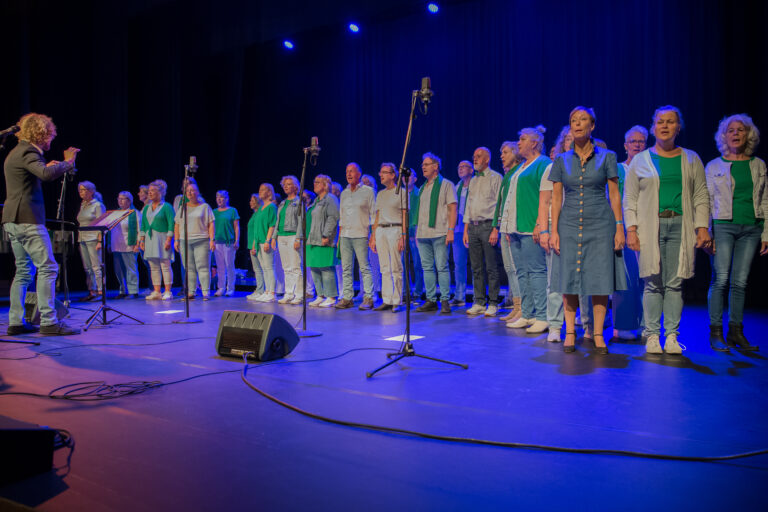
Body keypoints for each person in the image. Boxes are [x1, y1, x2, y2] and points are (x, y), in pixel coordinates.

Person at [624, 105, 711, 355]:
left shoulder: (691, 158)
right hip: (650, 226)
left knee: (675, 283)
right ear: (653, 127)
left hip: (680, 225)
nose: (664, 126)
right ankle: (652, 335)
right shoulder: (641, 160)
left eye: (670, 122)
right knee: (652, 282)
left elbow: (701, 195)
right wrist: (631, 229)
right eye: (660, 121)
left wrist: (702, 227)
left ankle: (671, 335)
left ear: (678, 127)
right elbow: (629, 198)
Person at [549, 107, 626, 354]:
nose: (577, 124)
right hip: (569, 223)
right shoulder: (561, 160)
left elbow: (614, 195)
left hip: (600, 223)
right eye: (573, 120)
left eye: (582, 120)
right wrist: (554, 231)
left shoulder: (608, 157)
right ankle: (570, 331)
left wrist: (619, 227)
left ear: (592, 125)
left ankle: (596, 332)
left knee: (599, 279)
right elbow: (556, 197)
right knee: (568, 278)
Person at [3, 112, 81, 335]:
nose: (50, 141)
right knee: (48, 267)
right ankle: (48, 321)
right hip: (27, 219)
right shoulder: (28, 150)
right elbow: (46, 175)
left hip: (13, 219)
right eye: (49, 136)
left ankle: (16, 322)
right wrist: (67, 163)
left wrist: (49, 166)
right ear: (40, 133)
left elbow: (39, 171)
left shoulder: (17, 152)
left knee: (23, 273)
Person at [706, 114, 767, 352]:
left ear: (748, 134)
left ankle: (736, 332)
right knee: (720, 279)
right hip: (723, 225)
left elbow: (765, 199)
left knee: (740, 282)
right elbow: (707, 200)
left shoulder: (758, 164)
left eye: (740, 130)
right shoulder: (714, 165)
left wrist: (766, 233)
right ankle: (716, 332)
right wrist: (706, 230)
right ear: (724, 136)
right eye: (731, 130)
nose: (735, 134)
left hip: (751, 227)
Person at [496, 126, 552, 333]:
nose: (518, 143)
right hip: (515, 227)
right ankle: (527, 313)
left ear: (535, 143)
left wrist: (540, 224)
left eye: (523, 139)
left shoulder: (544, 164)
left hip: (531, 226)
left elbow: (546, 199)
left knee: (536, 272)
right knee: (521, 272)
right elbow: (509, 199)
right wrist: (507, 226)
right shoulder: (520, 168)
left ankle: (542, 315)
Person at [612, 126, 648, 340]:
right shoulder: (617, 169)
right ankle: (624, 325)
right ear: (625, 146)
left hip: (647, 228)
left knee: (647, 279)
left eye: (641, 141)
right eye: (632, 141)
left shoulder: (651, 169)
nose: (636, 144)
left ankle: (647, 325)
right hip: (622, 230)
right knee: (624, 279)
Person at [414, 152, 458, 314]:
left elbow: (453, 208)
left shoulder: (446, 184)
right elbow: (420, 213)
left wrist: (451, 230)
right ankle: (431, 299)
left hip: (440, 232)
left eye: (426, 164)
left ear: (435, 166)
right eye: (422, 164)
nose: (423, 167)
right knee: (427, 267)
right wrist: (417, 231)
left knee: (442, 266)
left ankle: (445, 299)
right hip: (423, 233)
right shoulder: (422, 188)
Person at [463, 147, 503, 317]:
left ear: (487, 159)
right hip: (473, 226)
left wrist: (496, 228)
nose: (475, 159)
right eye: (474, 156)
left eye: (479, 156)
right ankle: (478, 301)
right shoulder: (472, 180)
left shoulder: (496, 178)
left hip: (488, 226)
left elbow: (499, 204)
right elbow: (468, 205)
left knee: (491, 267)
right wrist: (466, 229)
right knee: (476, 267)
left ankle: (493, 302)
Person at [336, 162, 376, 310]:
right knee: (346, 268)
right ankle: (347, 298)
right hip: (345, 234)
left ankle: (368, 297)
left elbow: (373, 215)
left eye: (352, 171)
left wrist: (373, 235)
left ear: (359, 173)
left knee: (365, 267)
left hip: (361, 233)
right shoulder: (344, 193)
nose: (349, 174)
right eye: (347, 171)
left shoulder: (368, 191)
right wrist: (340, 237)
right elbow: (342, 216)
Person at [370, 163, 405, 312]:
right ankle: (387, 299)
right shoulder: (381, 194)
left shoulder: (401, 192)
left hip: (395, 228)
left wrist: (403, 235)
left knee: (395, 266)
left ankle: (397, 299)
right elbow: (377, 216)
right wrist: (373, 236)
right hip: (381, 230)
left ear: (393, 175)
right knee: (384, 267)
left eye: (385, 172)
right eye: (380, 172)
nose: (381, 175)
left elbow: (404, 215)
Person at [301, 174, 340, 307]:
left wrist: (326, 235)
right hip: (313, 239)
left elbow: (333, 218)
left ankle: (331, 296)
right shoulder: (317, 200)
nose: (315, 184)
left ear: (325, 185)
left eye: (318, 182)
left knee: (326, 268)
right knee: (314, 268)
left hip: (324, 239)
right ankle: (320, 295)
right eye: (314, 182)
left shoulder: (331, 199)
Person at [174, 182, 215, 300]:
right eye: (188, 191)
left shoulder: (205, 207)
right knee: (189, 267)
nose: (191, 193)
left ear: (197, 192)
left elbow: (211, 224)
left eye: (193, 190)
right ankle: (191, 292)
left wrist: (212, 240)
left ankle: (205, 292)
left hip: (201, 239)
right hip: (185, 241)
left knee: (202, 266)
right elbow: (177, 224)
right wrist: (176, 240)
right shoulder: (182, 207)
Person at [497, 142, 523, 321]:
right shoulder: (507, 176)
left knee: (516, 268)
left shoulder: (518, 172)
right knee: (509, 268)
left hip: (514, 226)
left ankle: (522, 307)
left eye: (505, 152)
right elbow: (501, 204)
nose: (502, 155)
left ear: (515, 153)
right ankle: (516, 306)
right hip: (504, 225)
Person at [275, 176, 308, 304]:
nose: (286, 186)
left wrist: (298, 238)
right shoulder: (282, 203)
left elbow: (301, 220)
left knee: (296, 267)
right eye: (285, 184)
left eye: (289, 184)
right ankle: (288, 293)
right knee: (286, 267)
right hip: (281, 236)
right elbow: (278, 221)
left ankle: (299, 294)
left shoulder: (299, 202)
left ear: (295, 187)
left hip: (293, 235)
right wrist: (274, 237)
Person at [140, 180, 175, 300]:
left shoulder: (167, 207)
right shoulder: (146, 208)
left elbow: (172, 224)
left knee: (165, 265)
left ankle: (168, 291)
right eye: (149, 191)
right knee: (153, 266)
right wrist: (142, 239)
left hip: (162, 238)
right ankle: (156, 291)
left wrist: (168, 239)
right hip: (150, 239)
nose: (150, 193)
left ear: (161, 193)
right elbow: (143, 225)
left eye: (153, 191)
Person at [248, 184, 278, 303]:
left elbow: (272, 225)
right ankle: (266, 291)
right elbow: (256, 229)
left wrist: (268, 240)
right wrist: (254, 244)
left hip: (266, 241)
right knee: (264, 268)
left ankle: (272, 292)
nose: (260, 191)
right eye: (259, 189)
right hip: (258, 241)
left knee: (270, 267)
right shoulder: (260, 209)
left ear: (269, 192)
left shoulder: (271, 207)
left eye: (263, 190)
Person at [76, 181, 106, 301]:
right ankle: (92, 290)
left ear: (91, 191)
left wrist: (100, 241)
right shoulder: (83, 205)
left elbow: (102, 224)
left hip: (93, 238)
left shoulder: (97, 205)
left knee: (96, 266)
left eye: (83, 190)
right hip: (82, 238)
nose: (81, 192)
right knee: (87, 267)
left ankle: (100, 291)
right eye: (80, 190)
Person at [111, 191, 140, 299]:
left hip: (129, 245)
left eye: (123, 199)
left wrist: (138, 243)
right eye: (119, 198)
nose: (120, 201)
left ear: (129, 201)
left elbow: (139, 229)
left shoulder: (134, 213)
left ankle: (133, 291)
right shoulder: (115, 213)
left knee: (130, 268)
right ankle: (122, 290)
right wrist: (109, 243)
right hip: (116, 245)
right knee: (119, 269)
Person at [452, 160, 472, 307]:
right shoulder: (456, 187)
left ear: (471, 170)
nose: (460, 169)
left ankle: (482, 297)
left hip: (475, 228)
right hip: (459, 230)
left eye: (464, 166)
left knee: (478, 264)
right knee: (459, 264)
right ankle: (459, 296)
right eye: (458, 167)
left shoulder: (477, 184)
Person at [212, 190, 239, 297]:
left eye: (222, 197)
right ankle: (221, 288)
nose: (219, 199)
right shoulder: (213, 212)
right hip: (217, 242)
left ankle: (230, 288)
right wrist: (212, 240)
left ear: (226, 199)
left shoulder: (232, 210)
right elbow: (211, 227)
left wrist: (237, 240)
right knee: (220, 266)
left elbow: (236, 227)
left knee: (229, 265)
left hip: (229, 242)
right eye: (217, 197)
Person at [405, 171, 425, 302]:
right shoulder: (400, 193)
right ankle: (406, 291)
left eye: (410, 176)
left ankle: (418, 291)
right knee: (402, 264)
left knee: (417, 264)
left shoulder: (418, 193)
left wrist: (416, 231)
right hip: (401, 232)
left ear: (415, 179)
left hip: (414, 231)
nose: (406, 178)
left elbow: (418, 213)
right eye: (405, 176)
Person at [362, 173, 382, 298]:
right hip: (361, 230)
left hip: (372, 229)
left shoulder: (374, 195)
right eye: (363, 183)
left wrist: (373, 232)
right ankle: (364, 291)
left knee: (374, 263)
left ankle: (374, 290)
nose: (365, 185)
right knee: (363, 262)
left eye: (368, 183)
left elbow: (375, 215)